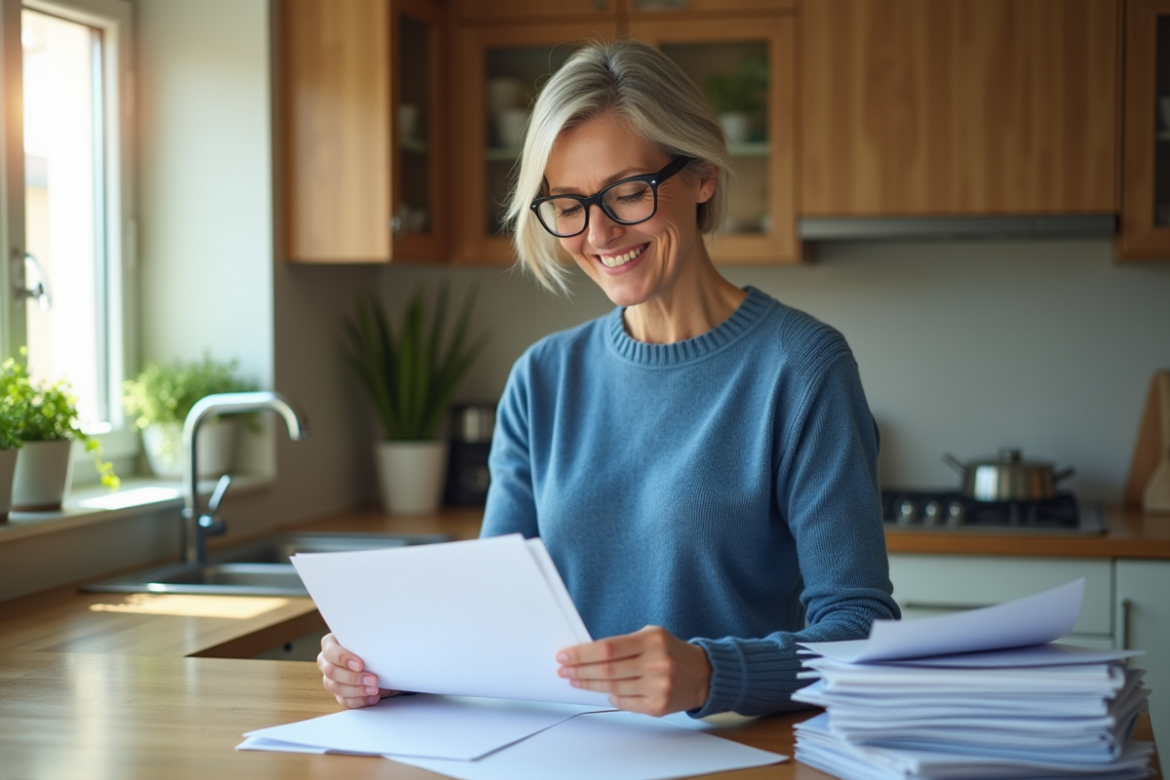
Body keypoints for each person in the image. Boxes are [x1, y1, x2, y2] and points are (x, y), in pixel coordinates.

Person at [319, 39, 898, 719]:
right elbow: (495, 615)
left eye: (628, 192)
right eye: (568, 203)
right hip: (562, 750)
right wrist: (393, 663)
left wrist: (712, 674)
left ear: (703, 175)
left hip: (736, 750)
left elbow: (858, 628)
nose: (598, 232)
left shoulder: (801, 367)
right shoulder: (542, 379)